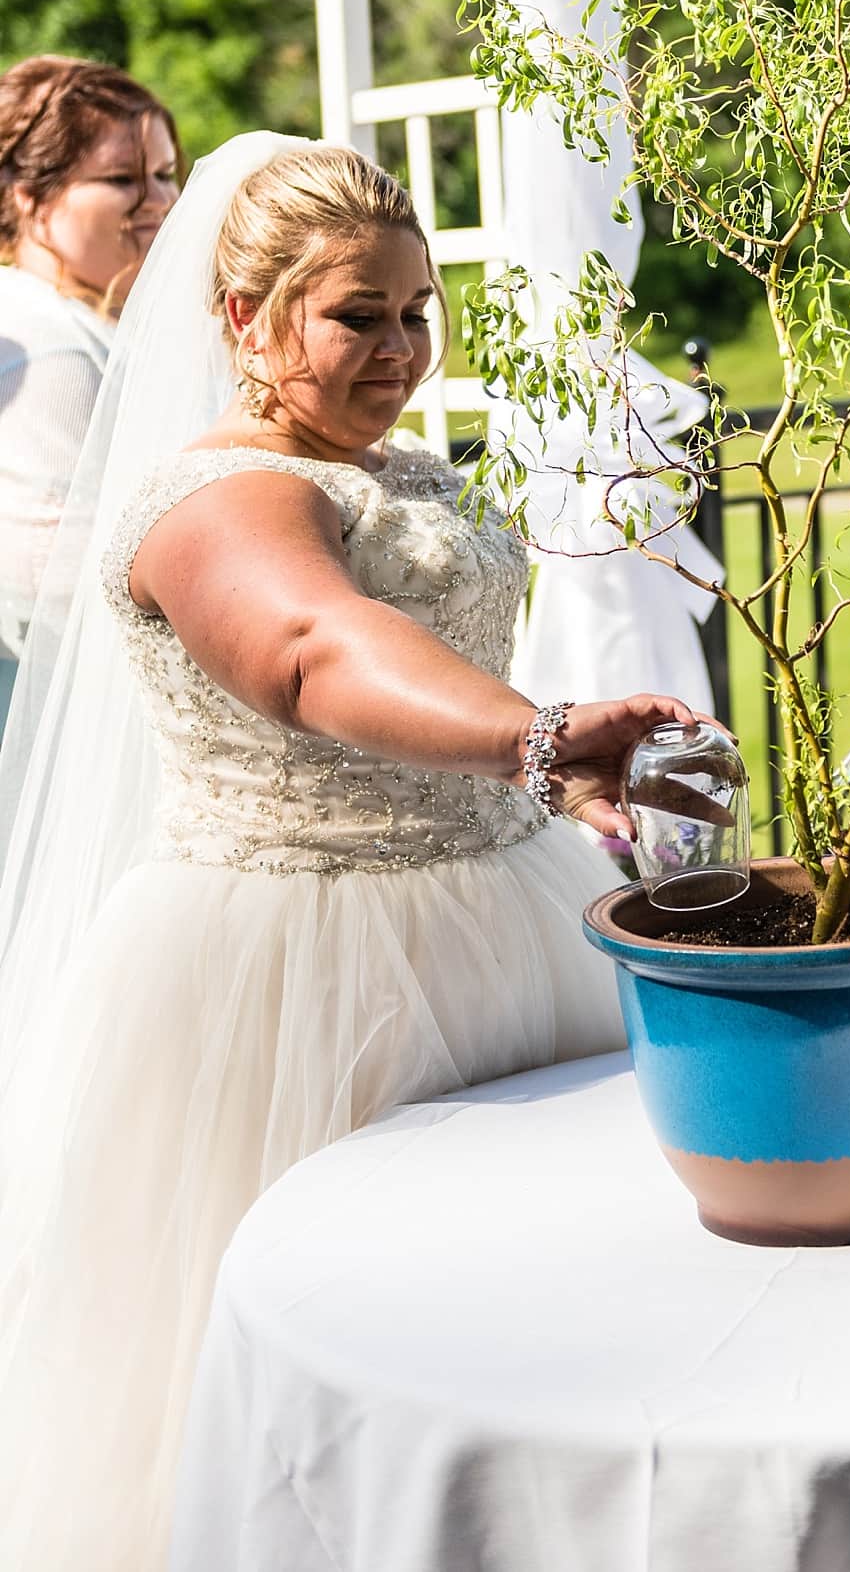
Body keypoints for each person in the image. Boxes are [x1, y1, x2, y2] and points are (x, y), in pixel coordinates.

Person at [0, 134, 704, 1571]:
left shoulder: (401, 467)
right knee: (358, 1356)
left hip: (509, 909)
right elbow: (316, 650)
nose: (399, 348)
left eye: (414, 310)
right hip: (297, 969)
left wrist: (537, 790)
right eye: (354, 316)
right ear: (246, 321)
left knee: (550, 1318)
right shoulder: (217, 498)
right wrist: (533, 734)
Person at [0, 56, 180, 728]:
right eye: (121, 180)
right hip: (80, 711)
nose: (159, 200)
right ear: (29, 194)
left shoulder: (99, 320)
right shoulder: (44, 339)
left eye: (164, 174)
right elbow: (57, 581)